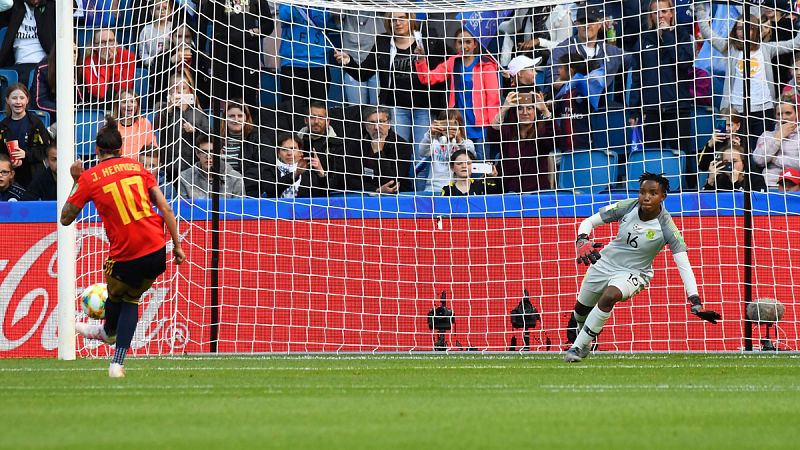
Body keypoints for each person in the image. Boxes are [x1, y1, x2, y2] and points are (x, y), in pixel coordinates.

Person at [62, 115, 186, 378]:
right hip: (156, 247)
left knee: (118, 296)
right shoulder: (138, 167)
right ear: (121, 148)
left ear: (97, 150)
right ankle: (116, 363)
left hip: (125, 253)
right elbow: (164, 207)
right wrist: (177, 245)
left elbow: (66, 218)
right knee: (132, 298)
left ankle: (105, 332)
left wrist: (76, 179)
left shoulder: (89, 177)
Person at [564, 172, 721, 362]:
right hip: (604, 263)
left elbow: (684, 265)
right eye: (642, 192)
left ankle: (577, 347)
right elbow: (588, 221)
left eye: (653, 193)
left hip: (635, 272)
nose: (646, 197)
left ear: (662, 197)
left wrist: (694, 298)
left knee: (609, 297)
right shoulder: (628, 206)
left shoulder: (667, 227)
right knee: (580, 311)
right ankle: (585, 337)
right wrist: (582, 239)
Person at [334, 12, 447, 165]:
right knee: (399, 153)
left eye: (402, 18)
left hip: (424, 108)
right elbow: (364, 73)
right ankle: (402, 187)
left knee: (423, 156)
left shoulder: (428, 39)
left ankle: (420, 189)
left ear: (410, 20)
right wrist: (348, 62)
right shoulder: (383, 42)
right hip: (396, 108)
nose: (398, 23)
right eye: (393, 20)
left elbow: (447, 66)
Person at [696, 4, 800, 150]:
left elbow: (795, 43)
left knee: (761, 151)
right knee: (728, 147)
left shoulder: (766, 48)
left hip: (764, 109)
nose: (743, 32)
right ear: (735, 31)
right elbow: (707, 33)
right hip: (733, 111)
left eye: (749, 28)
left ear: (756, 30)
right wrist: (699, 10)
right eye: (739, 28)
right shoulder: (729, 48)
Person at [414, 27, 501, 160]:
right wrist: (421, 60)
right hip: (458, 126)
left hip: (481, 127)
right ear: (455, 44)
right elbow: (428, 78)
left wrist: (492, 126)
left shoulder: (486, 65)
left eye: (468, 42)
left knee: (479, 167)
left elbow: (493, 97)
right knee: (458, 165)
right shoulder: (453, 62)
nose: (464, 46)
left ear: (475, 44)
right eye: (460, 42)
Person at [629, 0, 695, 155]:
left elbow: (685, 63)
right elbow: (637, 78)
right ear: (650, 16)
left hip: (678, 108)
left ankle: (686, 181)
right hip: (652, 109)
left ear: (671, 13)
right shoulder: (643, 39)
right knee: (653, 156)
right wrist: (633, 111)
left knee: (682, 154)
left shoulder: (682, 35)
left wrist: (668, 36)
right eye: (655, 12)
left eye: (664, 12)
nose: (660, 16)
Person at [203, 0, 274, 115]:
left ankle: (249, 130)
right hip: (222, 52)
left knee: (247, 97)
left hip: (247, 53)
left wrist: (254, 32)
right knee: (223, 96)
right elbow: (207, 16)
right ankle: (223, 130)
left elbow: (268, 25)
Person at [544, 6, 625, 103]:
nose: (586, 25)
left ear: (600, 24)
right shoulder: (563, 48)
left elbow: (636, 60)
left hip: (600, 107)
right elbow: (553, 80)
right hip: (569, 105)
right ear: (576, 24)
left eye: (591, 21)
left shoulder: (610, 51)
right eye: (583, 22)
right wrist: (581, 85)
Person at [488, 91, 555, 192]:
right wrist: (504, 109)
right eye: (520, 108)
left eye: (529, 108)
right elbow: (492, 134)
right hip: (510, 192)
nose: (525, 112)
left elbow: (555, 139)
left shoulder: (542, 132)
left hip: (537, 192)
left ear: (535, 110)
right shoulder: (508, 130)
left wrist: (545, 110)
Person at [340, 105, 413, 193]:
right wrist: (376, 190)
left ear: (389, 124)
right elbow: (347, 179)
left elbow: (392, 184)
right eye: (371, 122)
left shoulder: (402, 146)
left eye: (381, 122)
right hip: (365, 194)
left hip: (396, 197)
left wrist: (379, 153)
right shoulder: (356, 143)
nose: (376, 127)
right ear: (365, 125)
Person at [154, 74, 209, 183]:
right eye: (174, 88)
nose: (178, 92)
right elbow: (157, 125)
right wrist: (169, 108)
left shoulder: (198, 113)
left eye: (183, 88)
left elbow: (207, 136)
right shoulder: (165, 111)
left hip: (192, 168)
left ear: (189, 91)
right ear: (169, 91)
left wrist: (195, 131)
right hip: (168, 168)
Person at [149, 24, 212, 108]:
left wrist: (188, 100)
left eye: (187, 37)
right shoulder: (162, 57)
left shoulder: (201, 58)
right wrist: (171, 61)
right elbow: (154, 82)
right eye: (178, 36)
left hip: (195, 105)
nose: (183, 41)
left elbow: (207, 90)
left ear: (192, 38)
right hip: (167, 104)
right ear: (171, 37)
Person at [0, 83, 50, 187]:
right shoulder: (3, 126)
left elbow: (46, 150)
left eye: (22, 98)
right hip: (10, 178)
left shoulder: (35, 123)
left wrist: (26, 154)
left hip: (33, 176)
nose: (18, 102)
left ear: (27, 100)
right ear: (7, 100)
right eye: (14, 98)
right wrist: (8, 162)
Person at [0, 0, 56, 86]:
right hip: (18, 66)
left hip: (43, 65)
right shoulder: (14, 8)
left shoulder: (51, 6)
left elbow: (72, 5)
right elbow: (6, 3)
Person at [419, 110, 475, 193]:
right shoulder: (435, 142)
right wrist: (430, 134)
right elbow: (422, 152)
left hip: (456, 190)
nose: (450, 128)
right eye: (446, 125)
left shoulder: (467, 143)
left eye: (453, 125)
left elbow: (471, 156)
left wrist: (459, 140)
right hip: (434, 188)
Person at [336, 9, 384, 106]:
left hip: (377, 66)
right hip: (351, 65)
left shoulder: (381, 6)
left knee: (379, 111)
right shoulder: (344, 6)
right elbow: (335, 18)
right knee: (356, 111)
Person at [260, 132, 329, 198]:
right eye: (284, 149)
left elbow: (324, 195)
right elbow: (270, 190)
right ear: (278, 153)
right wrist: (295, 175)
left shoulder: (309, 172)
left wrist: (321, 172)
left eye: (293, 149)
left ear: (300, 152)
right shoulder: (269, 170)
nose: (289, 153)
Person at [753, 92, 800, 187]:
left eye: (788, 113)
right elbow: (758, 160)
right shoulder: (766, 135)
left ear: (796, 114)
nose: (783, 118)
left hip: (796, 187)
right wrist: (778, 137)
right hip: (770, 185)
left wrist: (774, 159)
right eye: (779, 114)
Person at [30, 45, 87, 122]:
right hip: (51, 113)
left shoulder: (80, 69)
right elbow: (39, 102)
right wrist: (64, 110)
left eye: (74, 52)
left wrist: (70, 73)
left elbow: (81, 100)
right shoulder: (43, 68)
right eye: (67, 51)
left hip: (74, 115)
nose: (72, 55)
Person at [178, 132, 243, 198]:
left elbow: (239, 207)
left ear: (220, 153)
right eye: (204, 152)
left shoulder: (235, 178)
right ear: (197, 153)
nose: (208, 156)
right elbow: (183, 207)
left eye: (212, 152)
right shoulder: (185, 177)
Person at [82, 28, 136, 105]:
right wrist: (104, 63)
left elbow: (123, 90)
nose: (107, 46)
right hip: (98, 104)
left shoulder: (128, 56)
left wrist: (112, 63)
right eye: (103, 42)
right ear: (94, 46)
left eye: (110, 41)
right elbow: (99, 93)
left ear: (116, 43)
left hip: (122, 104)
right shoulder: (88, 61)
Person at [697, 107, 745, 174]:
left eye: (729, 125)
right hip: (717, 180)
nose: (726, 128)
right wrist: (710, 145)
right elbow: (702, 167)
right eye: (723, 125)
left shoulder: (744, 142)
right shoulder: (715, 142)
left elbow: (748, 168)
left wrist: (738, 149)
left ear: (738, 126)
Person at [113, 89, 157, 161]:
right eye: (124, 102)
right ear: (118, 106)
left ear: (137, 104)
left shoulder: (145, 123)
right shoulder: (112, 127)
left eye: (132, 102)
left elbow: (153, 149)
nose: (129, 105)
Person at [702, 144, 767, 192]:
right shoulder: (718, 177)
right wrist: (710, 181)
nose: (730, 165)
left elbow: (759, 201)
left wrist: (735, 182)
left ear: (743, 163)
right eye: (726, 161)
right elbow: (704, 201)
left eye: (734, 161)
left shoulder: (755, 177)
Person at [137, 0, 172, 68]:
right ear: (152, 12)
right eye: (158, 8)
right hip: (153, 68)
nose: (162, 11)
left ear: (170, 11)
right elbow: (143, 53)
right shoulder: (146, 30)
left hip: (171, 65)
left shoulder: (175, 27)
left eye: (165, 8)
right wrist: (152, 61)